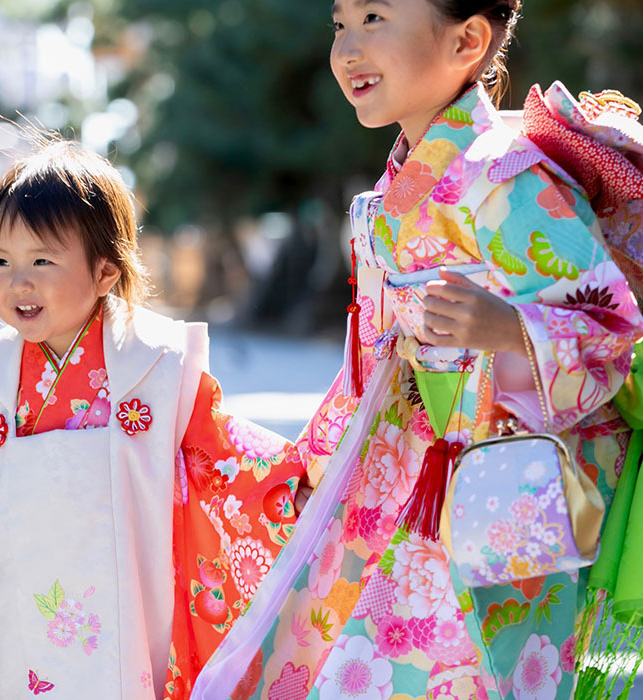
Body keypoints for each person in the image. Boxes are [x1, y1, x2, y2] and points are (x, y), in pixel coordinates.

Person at [191, 1, 643, 699]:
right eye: (340, 23)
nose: (347, 47)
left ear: (468, 40)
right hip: (412, 473)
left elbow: (614, 329)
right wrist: (316, 462)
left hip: (504, 488)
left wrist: (509, 328)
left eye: (375, 17)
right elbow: (372, 366)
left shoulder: (508, 177)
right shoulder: (392, 192)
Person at [0, 138, 306, 699]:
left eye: (42, 260)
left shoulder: (158, 365)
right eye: (1, 260)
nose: (19, 281)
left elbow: (222, 455)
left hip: (129, 606)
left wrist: (292, 483)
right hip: (15, 607)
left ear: (105, 272)